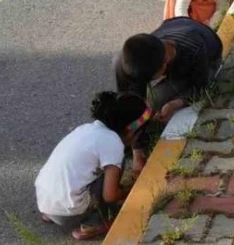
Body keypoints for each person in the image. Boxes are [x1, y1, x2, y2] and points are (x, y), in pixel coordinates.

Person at [34, 91, 149, 240]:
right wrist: (133, 190)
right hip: (69, 213)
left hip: (44, 201)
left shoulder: (85, 129)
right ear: (130, 130)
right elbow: (110, 196)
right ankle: (93, 223)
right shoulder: (113, 143)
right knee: (116, 166)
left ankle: (53, 213)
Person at [114, 17, 224, 171]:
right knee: (142, 111)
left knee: (154, 101)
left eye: (151, 79)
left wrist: (176, 103)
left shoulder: (193, 49)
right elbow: (132, 106)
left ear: (165, 62)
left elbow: (201, 88)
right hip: (173, 25)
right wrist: (137, 153)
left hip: (208, 54)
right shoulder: (126, 61)